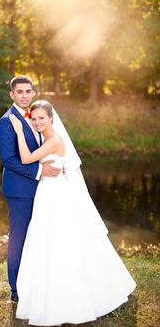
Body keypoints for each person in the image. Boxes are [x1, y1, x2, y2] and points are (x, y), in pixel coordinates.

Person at [9, 100, 136, 326]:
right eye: (34, 118)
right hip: (49, 191)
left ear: (51, 118)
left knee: (57, 239)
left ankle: (70, 294)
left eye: (42, 118)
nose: (37, 122)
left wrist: (19, 131)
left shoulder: (54, 139)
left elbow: (27, 159)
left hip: (54, 195)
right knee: (48, 239)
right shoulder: (48, 137)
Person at [0, 76, 61, 303]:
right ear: (12, 94)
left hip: (43, 190)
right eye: (19, 91)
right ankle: (16, 290)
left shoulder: (36, 118)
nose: (24, 95)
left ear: (33, 93)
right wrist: (40, 172)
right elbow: (9, 160)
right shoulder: (6, 122)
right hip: (20, 191)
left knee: (39, 238)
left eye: (28, 91)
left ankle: (36, 283)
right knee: (19, 239)